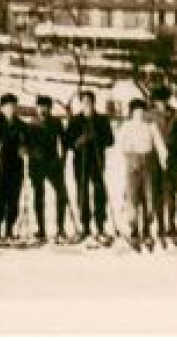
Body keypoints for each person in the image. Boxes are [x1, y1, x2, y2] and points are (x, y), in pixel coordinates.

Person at [116, 98, 169, 251]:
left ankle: (146, 230)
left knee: (149, 198)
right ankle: (134, 230)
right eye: (136, 111)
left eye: (142, 111)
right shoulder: (126, 126)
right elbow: (119, 144)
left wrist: (164, 159)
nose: (139, 114)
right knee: (133, 198)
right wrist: (127, 151)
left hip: (148, 164)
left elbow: (159, 144)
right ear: (132, 112)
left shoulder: (150, 126)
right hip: (132, 164)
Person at [65, 89, 113, 246]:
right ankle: (85, 226)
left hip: (97, 162)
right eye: (84, 102)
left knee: (100, 192)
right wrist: (79, 141)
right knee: (82, 192)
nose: (87, 104)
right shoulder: (75, 120)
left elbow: (110, 140)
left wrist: (97, 136)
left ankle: (100, 226)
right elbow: (68, 141)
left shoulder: (102, 119)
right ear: (81, 103)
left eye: (89, 102)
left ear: (93, 103)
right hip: (81, 162)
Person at [0, 93, 28, 245]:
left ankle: (9, 229)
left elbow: (26, 143)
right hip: (2, 165)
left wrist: (24, 149)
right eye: (8, 106)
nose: (11, 109)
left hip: (16, 165)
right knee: (1, 197)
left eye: (13, 106)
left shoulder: (21, 124)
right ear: (2, 107)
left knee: (14, 198)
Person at [26, 96, 70, 244]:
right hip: (36, 165)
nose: (42, 109)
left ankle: (61, 228)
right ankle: (41, 230)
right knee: (39, 196)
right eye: (40, 106)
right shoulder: (31, 124)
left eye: (45, 107)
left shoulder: (56, 122)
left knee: (62, 195)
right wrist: (30, 152)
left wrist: (62, 160)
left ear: (50, 108)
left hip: (53, 164)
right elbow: (25, 145)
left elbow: (64, 142)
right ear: (36, 108)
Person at [152, 88, 177, 244]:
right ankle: (160, 225)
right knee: (157, 192)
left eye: (164, 100)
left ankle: (171, 224)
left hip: (172, 159)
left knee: (171, 193)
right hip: (154, 158)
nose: (161, 104)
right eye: (158, 101)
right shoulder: (149, 117)